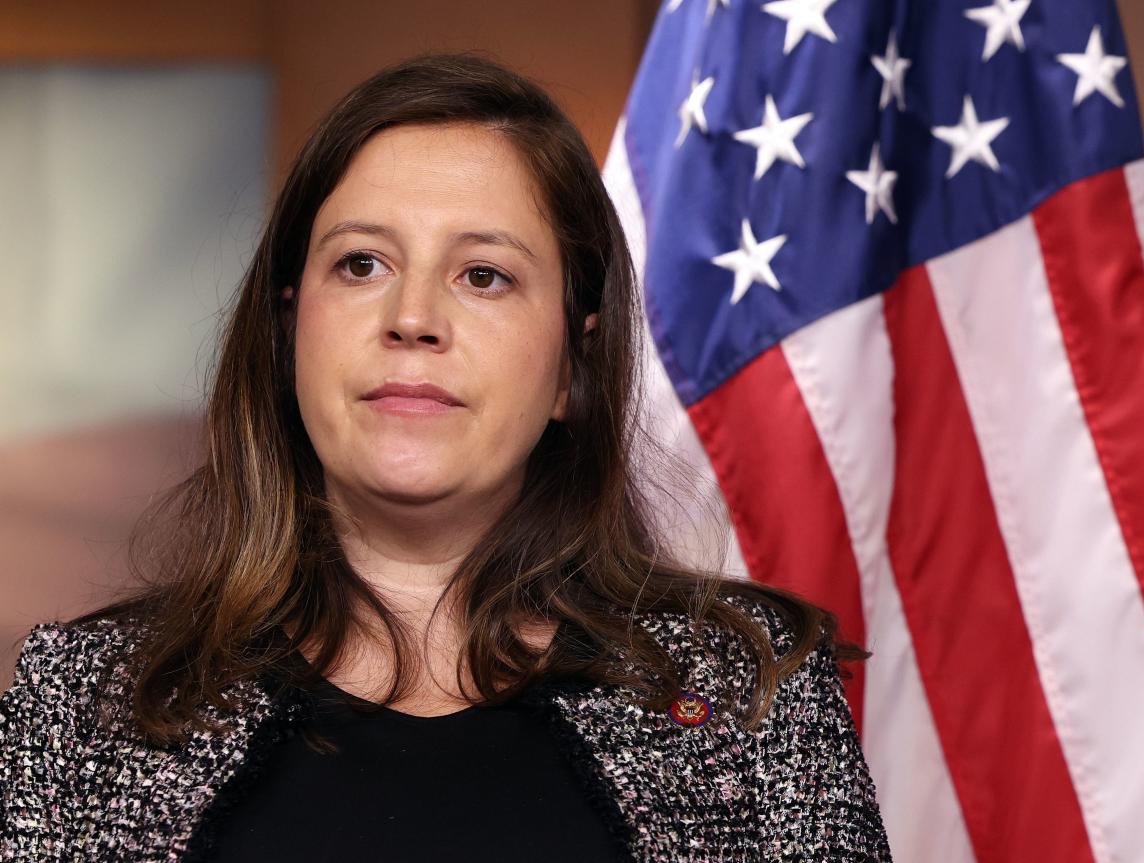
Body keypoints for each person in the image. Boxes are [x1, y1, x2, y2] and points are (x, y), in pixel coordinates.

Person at [0, 53, 892, 862]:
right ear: (288, 335)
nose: (413, 316)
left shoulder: (745, 693)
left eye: (483, 275)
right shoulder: (84, 702)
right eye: (361, 264)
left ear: (571, 370)